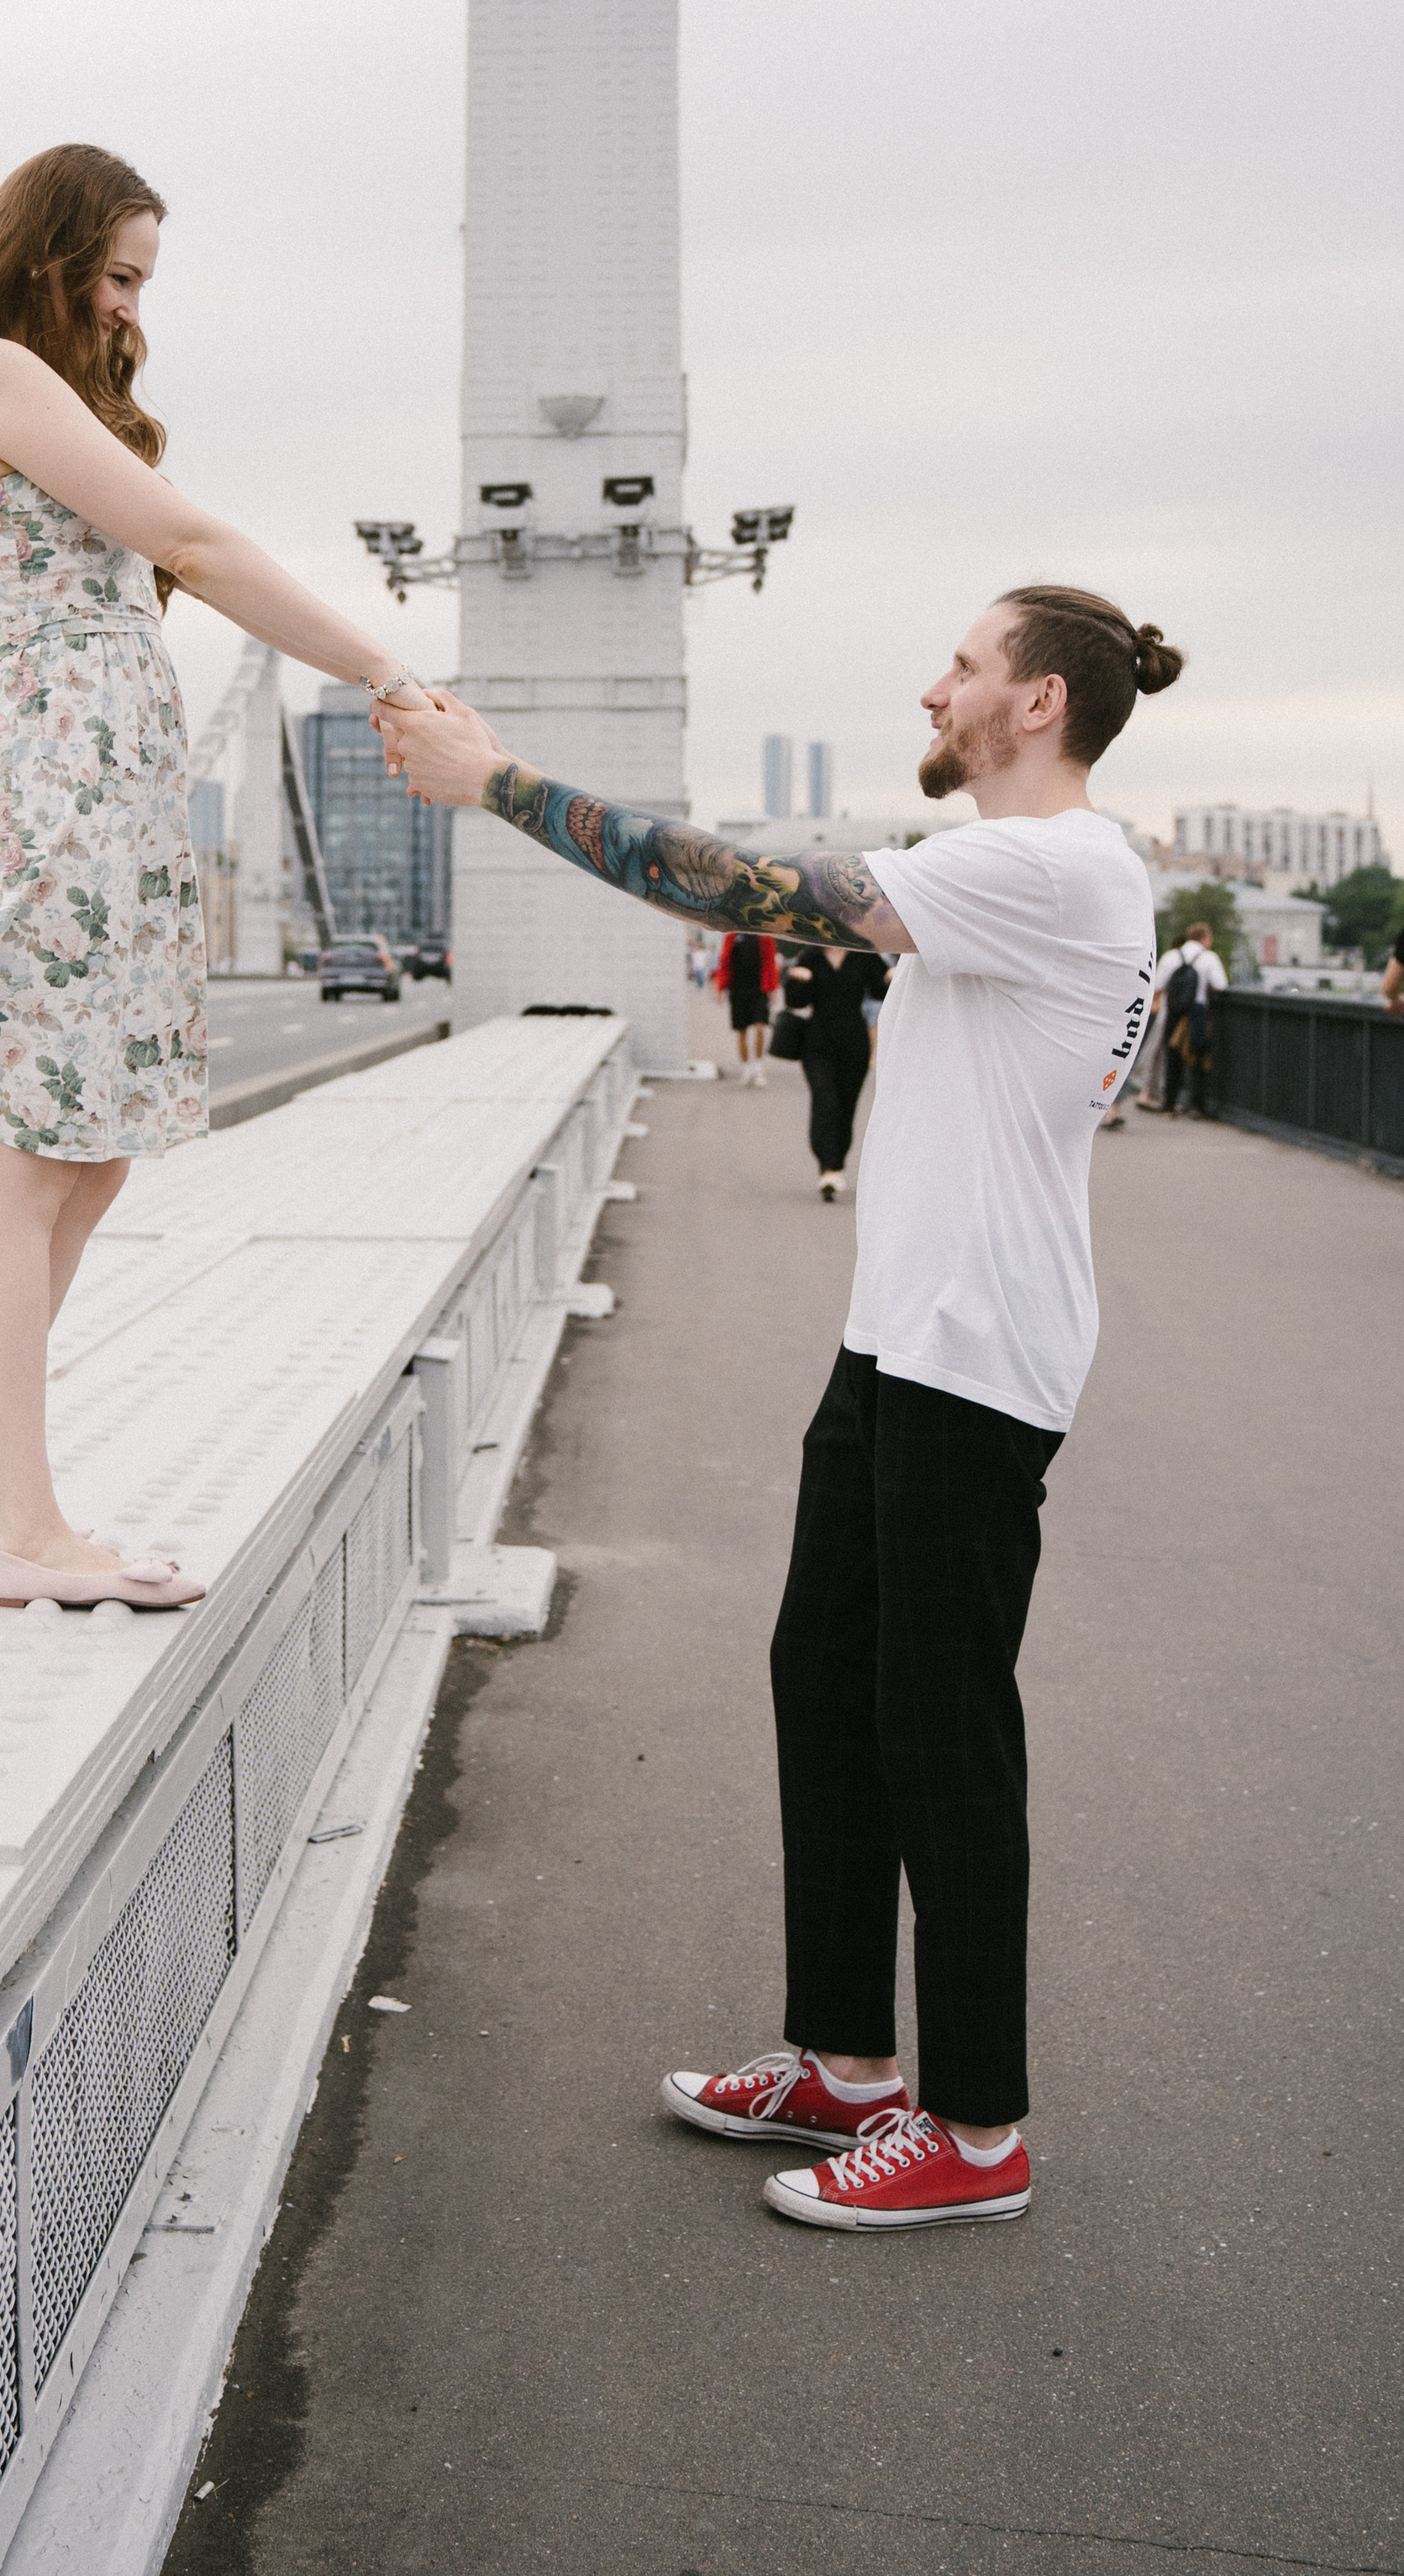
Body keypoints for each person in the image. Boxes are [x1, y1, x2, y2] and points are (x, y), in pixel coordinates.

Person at [383, 582, 1179, 2231]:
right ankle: (846, 2061)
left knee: (942, 1727)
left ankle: (976, 2127)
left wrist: (496, 781)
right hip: (900, 1338)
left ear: (1038, 701)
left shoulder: (1052, 865)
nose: (932, 685)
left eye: (962, 662)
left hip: (978, 1357)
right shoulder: (1018, 870)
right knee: (824, 1677)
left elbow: (739, 883)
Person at [0, 143, 439, 1615]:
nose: (128, 307)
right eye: (115, 274)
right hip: (45, 805)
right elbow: (186, 539)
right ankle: (24, 1529)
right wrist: (381, 666)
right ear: (47, 255)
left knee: (86, 1157)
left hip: (100, 808)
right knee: (25, 1164)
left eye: (141, 282)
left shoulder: (35, 392)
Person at [782, 943, 889, 1199]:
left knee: (846, 1107)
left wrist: (890, 977)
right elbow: (794, 1000)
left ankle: (837, 1163)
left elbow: (879, 991)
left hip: (854, 1045)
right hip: (817, 1044)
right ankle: (828, 1168)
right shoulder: (811, 956)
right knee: (825, 1100)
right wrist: (800, 980)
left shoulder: (864, 954)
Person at [1155, 923, 1228, 1118]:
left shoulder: (1171, 956)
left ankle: (1169, 1104)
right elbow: (1221, 984)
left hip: (1174, 1013)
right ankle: (1197, 1105)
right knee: (1198, 1058)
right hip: (1197, 1013)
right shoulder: (1208, 957)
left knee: (1172, 1059)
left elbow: (1157, 984)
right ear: (1204, 938)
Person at [717, 929, 781, 1083]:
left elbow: (770, 963)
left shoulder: (764, 937)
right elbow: (724, 962)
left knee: (760, 1027)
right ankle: (746, 1068)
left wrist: (773, 990)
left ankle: (758, 1067)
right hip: (738, 990)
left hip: (759, 990)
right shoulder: (732, 936)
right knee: (741, 1031)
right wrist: (721, 988)